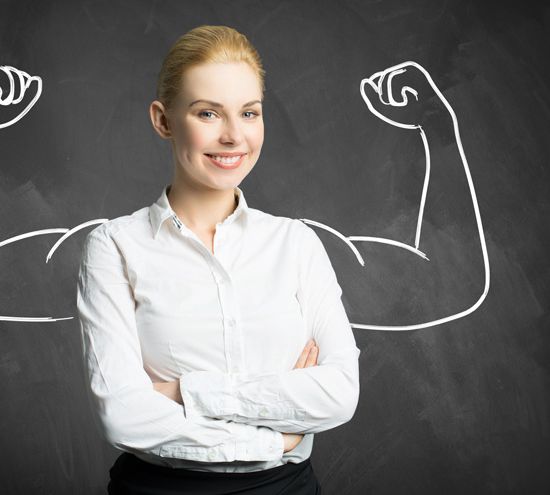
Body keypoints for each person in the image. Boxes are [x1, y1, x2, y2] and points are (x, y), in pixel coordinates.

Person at [77, 25, 360, 494]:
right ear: (163, 120)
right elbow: (124, 417)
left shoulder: (296, 243)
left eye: (249, 113)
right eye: (208, 113)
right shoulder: (113, 247)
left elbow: (338, 394)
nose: (233, 136)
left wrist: (188, 392)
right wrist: (275, 437)